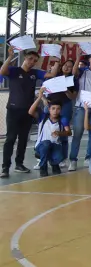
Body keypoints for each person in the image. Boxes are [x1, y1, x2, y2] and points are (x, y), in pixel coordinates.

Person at [1, 48, 48, 177]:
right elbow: (2, 71)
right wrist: (10, 57)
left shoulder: (35, 73)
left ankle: (19, 164)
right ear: (25, 58)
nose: (32, 62)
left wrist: (56, 59)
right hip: (13, 110)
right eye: (30, 59)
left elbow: (50, 75)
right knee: (10, 138)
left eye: (35, 60)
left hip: (28, 111)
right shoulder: (14, 70)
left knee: (23, 139)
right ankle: (5, 167)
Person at [69, 48, 91, 170]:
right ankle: (73, 160)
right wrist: (78, 56)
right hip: (81, 106)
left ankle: (88, 157)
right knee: (77, 134)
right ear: (89, 60)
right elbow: (73, 72)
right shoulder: (82, 71)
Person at [27, 87, 70, 176]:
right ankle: (43, 166)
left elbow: (69, 132)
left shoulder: (63, 119)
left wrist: (59, 133)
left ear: (61, 110)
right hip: (41, 146)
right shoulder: (43, 117)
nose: (55, 111)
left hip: (55, 146)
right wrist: (40, 97)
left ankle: (54, 163)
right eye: (53, 108)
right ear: (49, 109)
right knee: (46, 143)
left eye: (58, 109)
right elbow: (30, 111)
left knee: (58, 154)